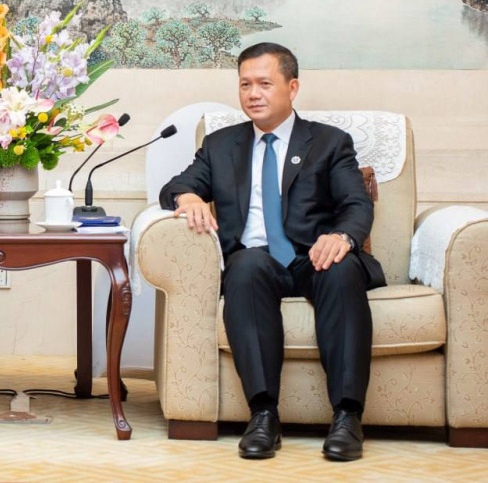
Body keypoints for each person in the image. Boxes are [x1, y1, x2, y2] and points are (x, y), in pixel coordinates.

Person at [160, 42, 385, 462]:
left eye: (264, 83)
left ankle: (347, 417)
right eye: (245, 84)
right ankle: (263, 415)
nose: (253, 94)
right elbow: (176, 185)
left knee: (340, 269)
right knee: (244, 266)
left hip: (314, 256)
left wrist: (342, 236)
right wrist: (188, 197)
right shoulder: (221, 144)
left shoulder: (329, 142)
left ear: (292, 87)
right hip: (257, 260)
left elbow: (356, 204)